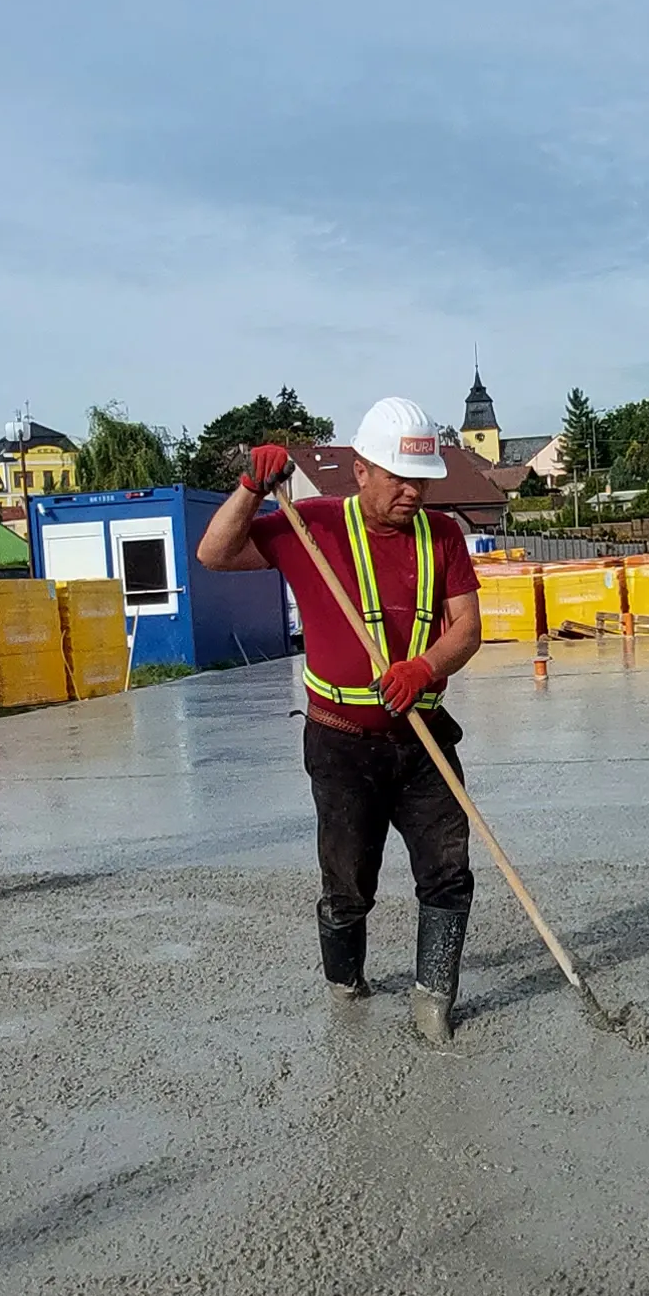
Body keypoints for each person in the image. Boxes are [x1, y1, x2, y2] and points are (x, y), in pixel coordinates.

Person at [192, 396, 486, 1041]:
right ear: (361, 470)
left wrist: (425, 668)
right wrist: (250, 488)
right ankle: (345, 984)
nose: (413, 492)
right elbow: (215, 555)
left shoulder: (443, 535)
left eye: (422, 480)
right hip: (341, 744)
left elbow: (467, 627)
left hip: (421, 738)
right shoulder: (310, 526)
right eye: (399, 479)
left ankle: (434, 997)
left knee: (448, 872)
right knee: (349, 880)